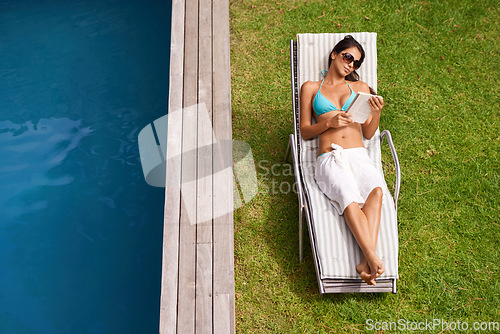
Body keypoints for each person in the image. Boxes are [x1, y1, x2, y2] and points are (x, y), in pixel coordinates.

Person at [299, 35, 386, 286]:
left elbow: (369, 133)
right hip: (330, 158)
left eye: (356, 63)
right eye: (348, 57)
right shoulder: (311, 88)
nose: (351, 65)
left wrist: (376, 111)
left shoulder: (360, 88)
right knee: (348, 195)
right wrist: (328, 122)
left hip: (358, 155)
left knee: (377, 192)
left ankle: (364, 261)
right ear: (334, 54)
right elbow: (305, 131)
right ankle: (371, 256)